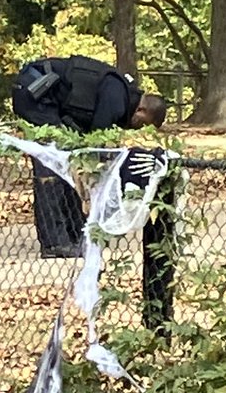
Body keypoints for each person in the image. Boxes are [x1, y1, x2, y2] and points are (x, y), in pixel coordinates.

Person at [11, 55, 167, 258]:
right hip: (35, 93)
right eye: (143, 123)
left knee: (69, 163)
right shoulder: (117, 100)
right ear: (141, 109)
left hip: (48, 100)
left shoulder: (120, 94)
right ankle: (54, 243)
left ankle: (76, 234)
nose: (137, 129)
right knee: (51, 168)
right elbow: (96, 144)